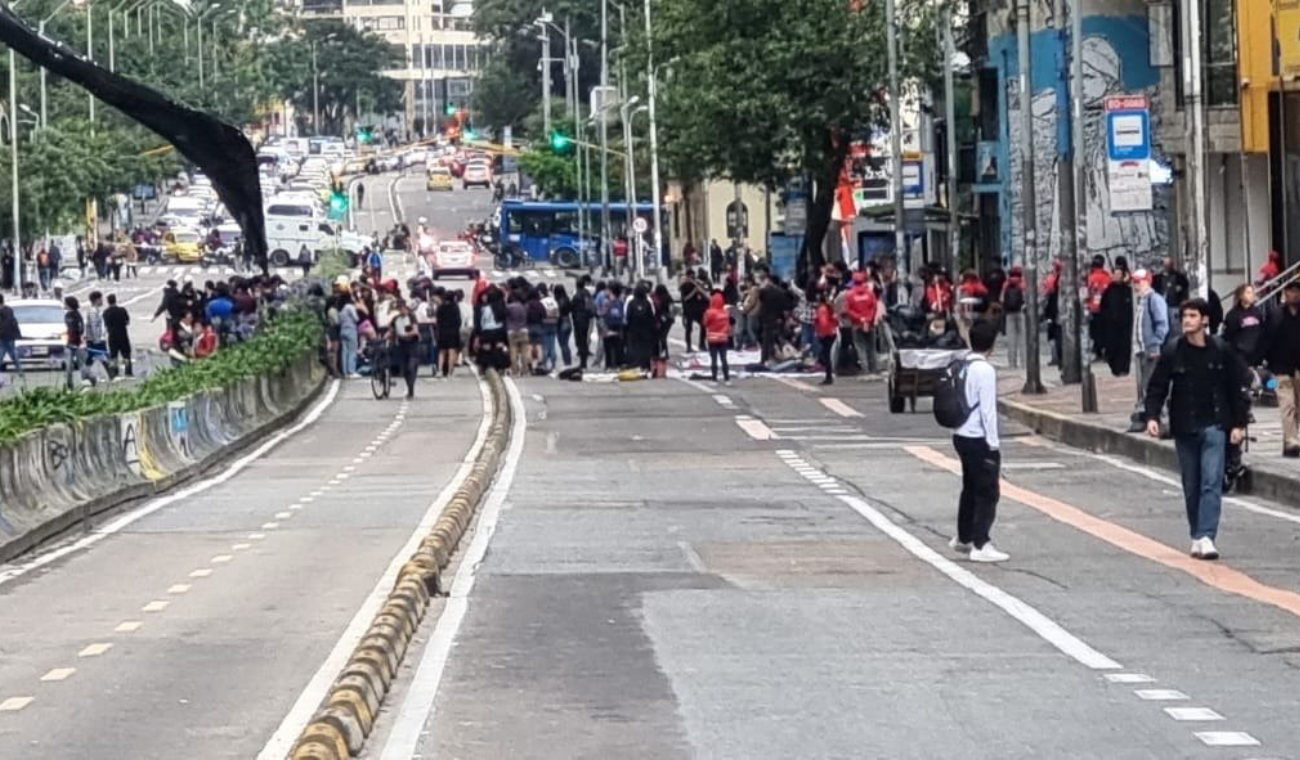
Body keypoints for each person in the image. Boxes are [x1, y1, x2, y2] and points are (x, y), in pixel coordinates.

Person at [1144, 298, 1249, 560]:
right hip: (1184, 426)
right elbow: (1157, 385)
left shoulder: (1221, 350)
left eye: (1192, 316)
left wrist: (1239, 424)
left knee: (1211, 482)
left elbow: (1237, 388)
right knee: (1191, 484)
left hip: (1215, 424)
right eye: (1184, 316)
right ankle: (1196, 534)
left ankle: (1206, 535)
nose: (1187, 321)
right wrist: (1152, 416)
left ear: (1205, 320)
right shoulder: (1173, 351)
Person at [950, 319, 1007, 563]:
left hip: (960, 434)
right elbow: (988, 411)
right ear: (992, 345)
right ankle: (981, 543)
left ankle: (964, 537)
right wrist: (993, 445)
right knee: (987, 491)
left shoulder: (962, 365)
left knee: (970, 487)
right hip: (978, 437)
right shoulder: (985, 370)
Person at [1127, 269, 1169, 432]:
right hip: (1140, 349)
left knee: (1151, 385)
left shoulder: (1154, 300)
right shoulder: (1141, 301)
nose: (1136, 285)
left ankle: (1161, 419)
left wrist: (1155, 344)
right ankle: (1146, 417)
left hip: (1150, 350)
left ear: (1147, 281)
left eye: (1139, 281)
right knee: (1143, 386)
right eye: (1135, 282)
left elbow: (1161, 325)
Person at [1264, 280, 1300, 457]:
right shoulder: (1276, 315)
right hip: (1281, 367)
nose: (1294, 295)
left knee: (1298, 406)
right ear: (1285, 293)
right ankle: (1292, 441)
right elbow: (1267, 338)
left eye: (1297, 291)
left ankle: (1290, 442)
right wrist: (1265, 361)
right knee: (1288, 404)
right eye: (1291, 291)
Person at [1221, 283, 1266, 367]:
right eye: (1248, 292)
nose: (1252, 295)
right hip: (1240, 355)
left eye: (1252, 292)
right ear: (1241, 295)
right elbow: (1228, 336)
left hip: (1255, 354)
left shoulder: (1257, 312)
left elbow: (1262, 332)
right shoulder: (1233, 314)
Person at [390, 298, 422, 398]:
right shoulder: (395, 319)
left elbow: (415, 331)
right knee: (404, 370)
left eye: (402, 308)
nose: (401, 310)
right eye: (399, 309)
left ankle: (411, 388)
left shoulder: (411, 317)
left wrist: (405, 334)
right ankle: (410, 388)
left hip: (412, 344)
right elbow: (391, 330)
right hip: (402, 345)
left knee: (411, 367)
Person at [704, 290, 732, 385]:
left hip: (712, 338)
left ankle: (714, 378)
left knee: (714, 359)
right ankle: (727, 378)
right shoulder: (725, 313)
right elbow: (728, 326)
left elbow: (705, 323)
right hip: (723, 338)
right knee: (724, 358)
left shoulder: (709, 312)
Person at [1001, 266, 1026, 369]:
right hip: (1021, 312)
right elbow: (1027, 297)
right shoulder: (1023, 284)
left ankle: (1012, 363)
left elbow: (1001, 299)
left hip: (1009, 314)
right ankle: (1024, 363)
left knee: (1011, 339)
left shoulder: (1006, 285)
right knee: (1023, 339)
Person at [814, 287, 839, 386]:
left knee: (826, 355)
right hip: (831, 332)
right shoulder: (829, 307)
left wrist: (821, 333)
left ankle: (828, 377)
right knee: (827, 355)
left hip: (826, 334)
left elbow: (823, 323)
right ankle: (829, 376)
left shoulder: (822, 309)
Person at [679, 269, 708, 352]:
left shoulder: (697, 283)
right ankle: (688, 346)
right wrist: (694, 290)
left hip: (698, 310)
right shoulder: (684, 286)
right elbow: (685, 298)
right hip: (688, 310)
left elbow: (705, 295)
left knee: (703, 325)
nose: (693, 278)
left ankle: (702, 344)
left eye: (694, 276)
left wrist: (700, 288)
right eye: (691, 276)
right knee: (689, 328)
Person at [436, 290, 463, 378]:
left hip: (442, 331)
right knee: (452, 351)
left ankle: (439, 370)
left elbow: (438, 320)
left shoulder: (440, 307)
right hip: (453, 331)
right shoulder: (455, 307)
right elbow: (458, 321)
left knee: (442, 352)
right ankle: (450, 372)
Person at [0, 294, 23, 385]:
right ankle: (20, 371)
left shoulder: (5, 311)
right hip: (9, 336)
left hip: (5, 336)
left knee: (5, 354)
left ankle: (20, 371)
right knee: (13, 354)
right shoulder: (9, 310)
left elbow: (6, 324)